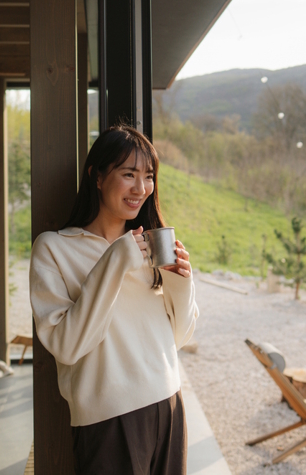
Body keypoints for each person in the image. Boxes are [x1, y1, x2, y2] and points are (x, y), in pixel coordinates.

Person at [29, 125, 199, 475]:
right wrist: (115, 261)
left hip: (168, 402)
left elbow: (178, 338)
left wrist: (181, 285)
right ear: (97, 176)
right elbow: (67, 346)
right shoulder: (54, 248)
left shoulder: (150, 246)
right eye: (128, 174)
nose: (141, 188)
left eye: (148, 176)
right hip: (108, 419)